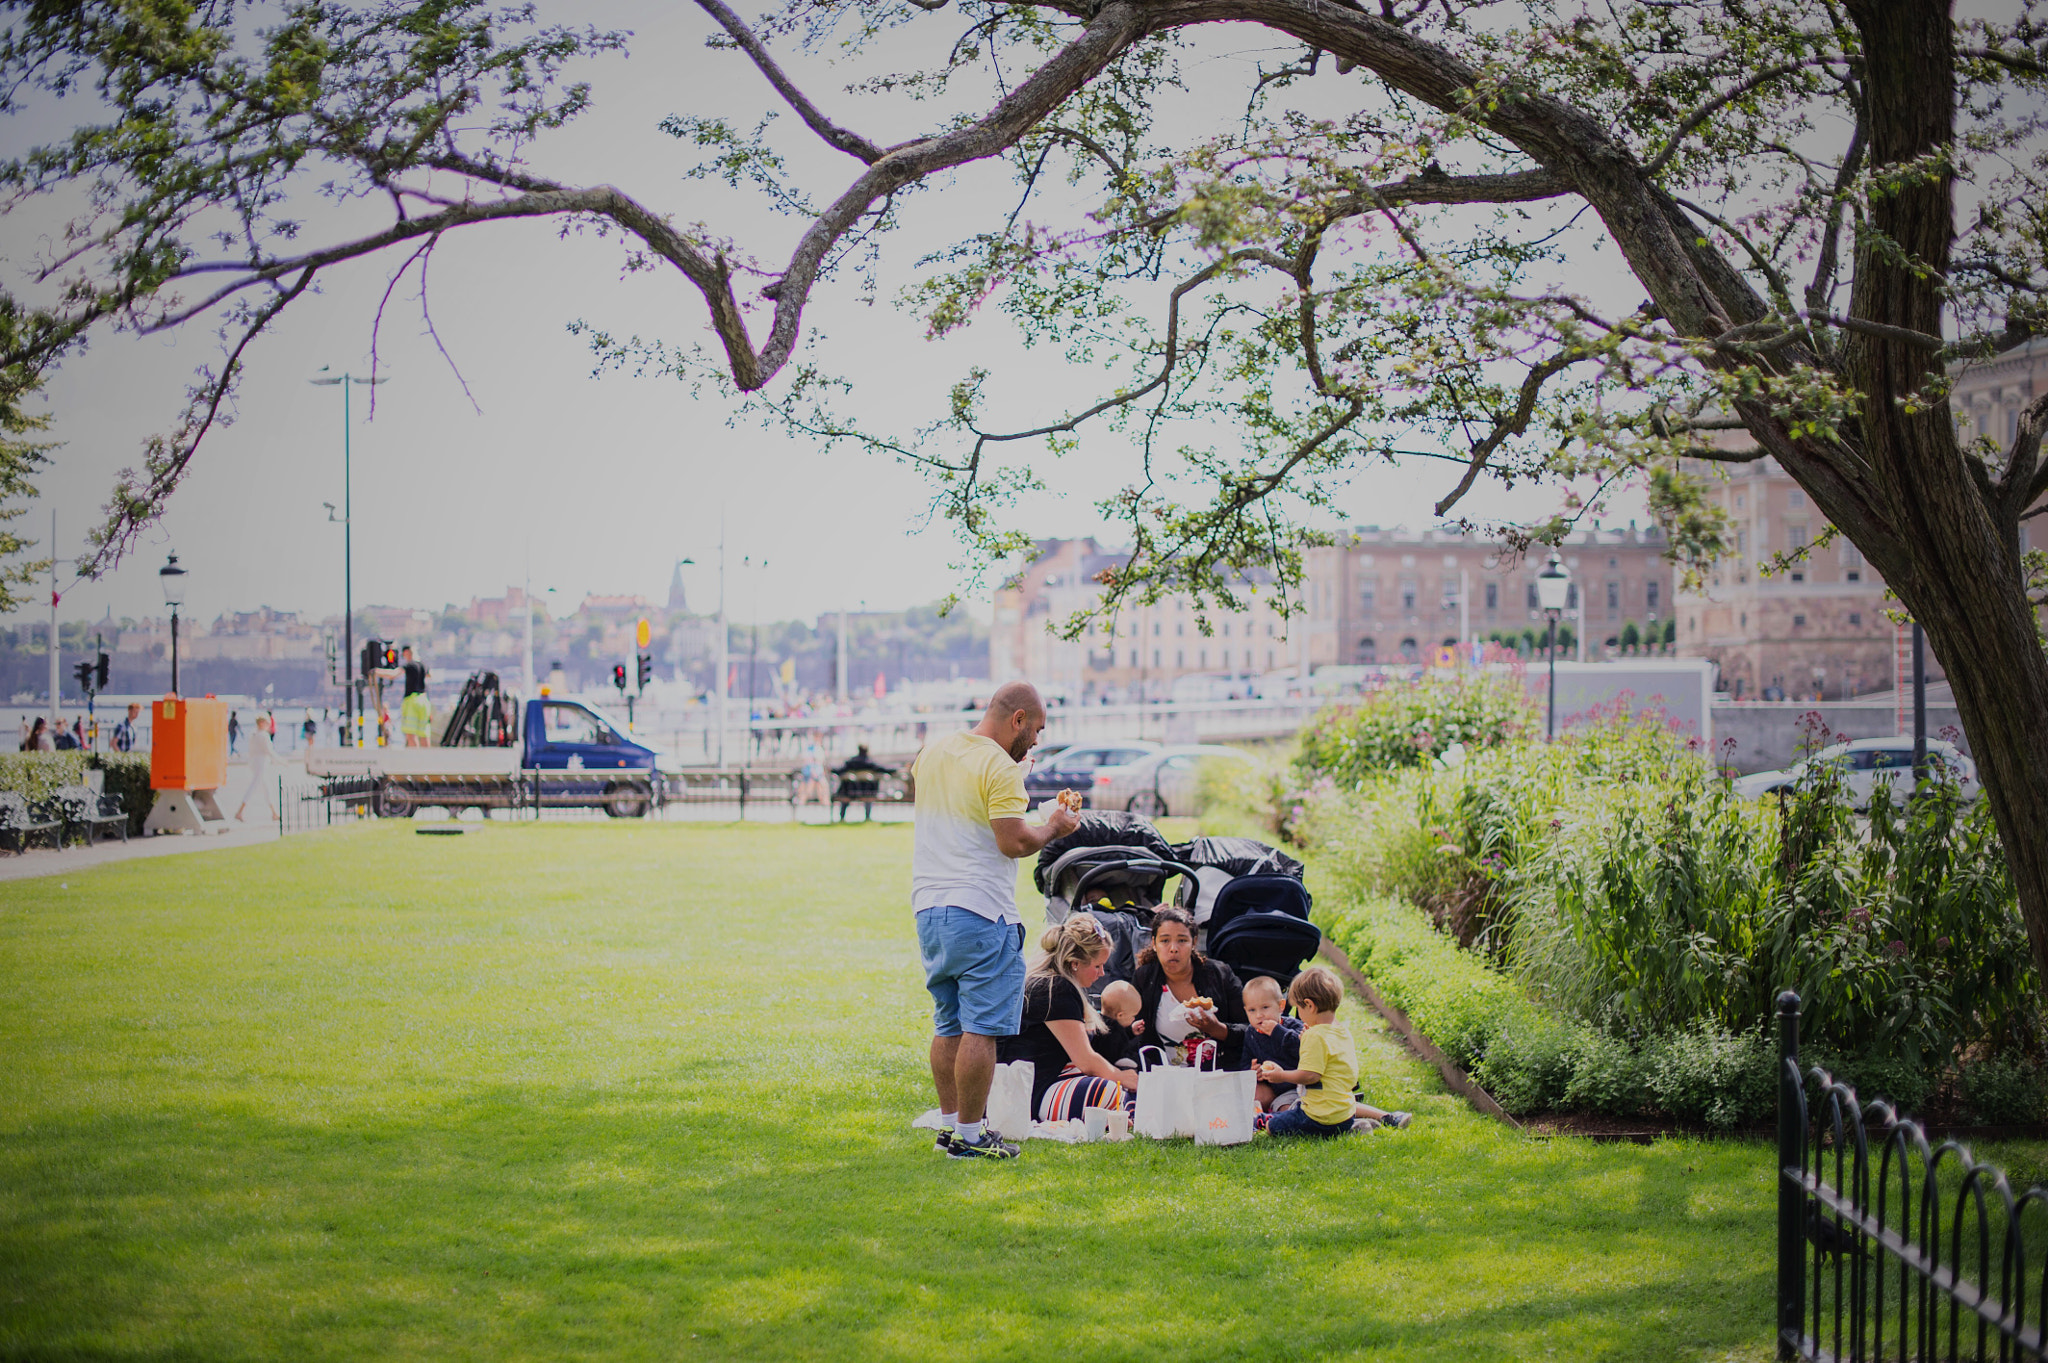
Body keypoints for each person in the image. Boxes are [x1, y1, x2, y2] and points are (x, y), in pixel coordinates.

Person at [912, 680, 1079, 1159]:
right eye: (1037, 729)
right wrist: (1055, 826)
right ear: (1018, 720)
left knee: (948, 1025)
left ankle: (949, 1126)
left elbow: (969, 794)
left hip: (930, 907)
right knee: (980, 1029)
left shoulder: (934, 752)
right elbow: (1014, 842)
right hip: (982, 910)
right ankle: (969, 1136)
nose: (1038, 741)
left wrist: (1013, 771)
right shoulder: (1001, 769)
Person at [1000, 914, 1143, 1123]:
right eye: (1097, 966)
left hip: (1032, 1083)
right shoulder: (1056, 989)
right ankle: (1125, 1108)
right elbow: (1086, 1061)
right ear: (1074, 963)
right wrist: (1120, 1077)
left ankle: (1122, 1109)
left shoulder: (1048, 982)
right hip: (1031, 1092)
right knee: (1109, 1089)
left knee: (1114, 1082)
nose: (1102, 973)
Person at [1256, 967, 1411, 1136]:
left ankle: (1342, 1130)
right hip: (1344, 1112)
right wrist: (1305, 1040)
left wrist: (1281, 1076)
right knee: (1306, 1111)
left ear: (1309, 1005)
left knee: (1273, 1126)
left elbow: (1310, 1076)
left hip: (1319, 1115)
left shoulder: (1314, 1035)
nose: (1299, 1015)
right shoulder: (1341, 1031)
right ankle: (1352, 1127)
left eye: (1299, 1009)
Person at [1128, 905, 1252, 1068]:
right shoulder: (1144, 978)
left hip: (1218, 1073)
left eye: (1182, 940)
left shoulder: (1219, 974)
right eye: (1165, 941)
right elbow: (1130, 1032)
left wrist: (1218, 1029)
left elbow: (1250, 1028)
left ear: (1194, 942)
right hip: (1163, 1076)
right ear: (1154, 943)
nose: (1173, 949)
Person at [1242, 975, 1305, 1112]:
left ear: (1281, 1006)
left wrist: (1277, 1031)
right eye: (1252, 1010)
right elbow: (1245, 1062)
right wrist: (1253, 1071)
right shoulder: (1251, 1034)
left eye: (1265, 1007)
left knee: (1290, 1108)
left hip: (1302, 1085)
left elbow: (1302, 1049)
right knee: (1254, 1098)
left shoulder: (1292, 1027)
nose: (1259, 1015)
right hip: (1278, 1090)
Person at [233, 714, 279, 823]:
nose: (269, 726)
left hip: (256, 764)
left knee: (267, 788)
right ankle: (240, 811)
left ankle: (274, 813)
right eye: (267, 723)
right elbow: (269, 751)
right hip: (261, 765)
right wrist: (282, 761)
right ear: (262, 723)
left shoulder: (253, 734)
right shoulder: (263, 735)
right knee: (254, 787)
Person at [1095, 979, 1146, 1068]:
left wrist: (1130, 1031)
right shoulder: (1113, 1032)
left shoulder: (1099, 1023)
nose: (1134, 1019)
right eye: (1133, 1016)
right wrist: (1143, 1063)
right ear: (1120, 1015)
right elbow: (1120, 1057)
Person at [834, 743, 891, 822]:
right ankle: (867, 817)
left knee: (846, 785)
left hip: (850, 791)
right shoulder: (870, 763)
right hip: (867, 792)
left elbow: (839, 771)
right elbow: (884, 769)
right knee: (870, 788)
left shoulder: (851, 762)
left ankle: (842, 817)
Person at [398, 647, 431, 747]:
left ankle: (416, 758)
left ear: (407, 653)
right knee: (424, 733)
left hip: (411, 700)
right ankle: (427, 759)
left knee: (411, 734)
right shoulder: (423, 665)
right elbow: (430, 676)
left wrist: (377, 671)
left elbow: (394, 673)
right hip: (424, 700)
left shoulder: (409, 665)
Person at [795, 736, 829, 814]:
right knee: (809, 790)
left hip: (815, 772)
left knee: (821, 790)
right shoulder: (813, 749)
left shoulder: (814, 749)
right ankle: (801, 807)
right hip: (813, 772)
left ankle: (826, 806)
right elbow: (814, 762)